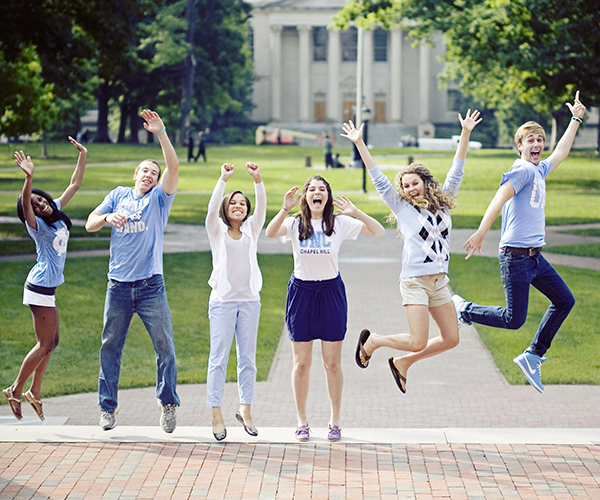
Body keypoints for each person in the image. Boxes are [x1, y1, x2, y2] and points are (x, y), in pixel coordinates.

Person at [453, 92, 586, 393]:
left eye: (540, 139)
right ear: (520, 146)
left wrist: (575, 119)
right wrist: (481, 231)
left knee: (565, 300)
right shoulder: (523, 170)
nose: (537, 144)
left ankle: (533, 355)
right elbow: (499, 199)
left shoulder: (539, 170)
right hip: (515, 257)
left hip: (535, 258)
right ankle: (464, 309)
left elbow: (562, 152)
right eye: (531, 140)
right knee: (514, 320)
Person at [341, 109, 482, 393]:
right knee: (419, 340)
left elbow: (457, 169)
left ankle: (403, 363)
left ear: (425, 183)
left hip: (440, 281)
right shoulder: (402, 207)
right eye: (405, 186)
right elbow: (378, 178)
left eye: (414, 183)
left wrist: (465, 133)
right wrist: (359, 143)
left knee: (451, 338)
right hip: (415, 281)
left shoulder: (444, 201)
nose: (410, 189)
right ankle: (375, 341)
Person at [265, 175, 385, 442]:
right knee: (302, 364)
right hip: (302, 293)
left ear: (327, 197)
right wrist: (285, 207)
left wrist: (357, 213)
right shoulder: (295, 223)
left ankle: (335, 421)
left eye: (322, 190)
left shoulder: (339, 223)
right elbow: (270, 233)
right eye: (312, 190)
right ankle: (301, 421)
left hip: (331, 292)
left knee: (332, 363)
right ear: (306, 196)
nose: (317, 193)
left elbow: (378, 231)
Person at [85, 109, 180, 432]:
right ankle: (107, 408)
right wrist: (107, 218)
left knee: (165, 346)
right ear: (135, 174)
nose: (150, 175)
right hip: (118, 287)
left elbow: (173, 166)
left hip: (151, 286)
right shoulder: (117, 196)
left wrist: (161, 132)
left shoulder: (159, 200)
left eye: (154, 172)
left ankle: (167, 403)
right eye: (145, 171)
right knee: (110, 346)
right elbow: (89, 224)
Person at [3, 137, 87, 421]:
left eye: (42, 200)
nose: (41, 205)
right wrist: (29, 178)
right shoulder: (37, 226)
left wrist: (83, 155)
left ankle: (34, 393)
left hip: (47, 288)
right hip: (38, 287)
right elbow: (26, 205)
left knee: (53, 341)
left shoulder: (57, 213)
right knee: (44, 343)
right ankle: (15, 388)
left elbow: (75, 183)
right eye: (36, 205)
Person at [205, 161, 266, 441]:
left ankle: (246, 408)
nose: (238, 206)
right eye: (234, 203)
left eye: (243, 203)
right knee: (218, 359)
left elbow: (263, 207)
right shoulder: (215, 229)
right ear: (226, 208)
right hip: (223, 303)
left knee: (248, 360)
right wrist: (223, 181)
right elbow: (211, 208)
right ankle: (216, 413)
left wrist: (258, 180)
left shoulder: (252, 229)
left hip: (250, 302)